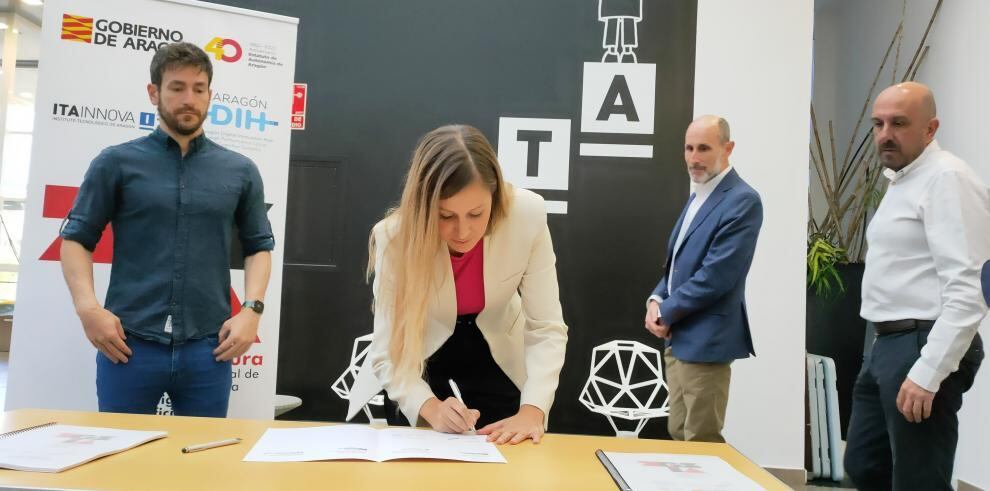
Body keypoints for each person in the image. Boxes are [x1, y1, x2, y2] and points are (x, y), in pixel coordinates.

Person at [59, 42, 274, 416]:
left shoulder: (240, 171)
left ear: (210, 94)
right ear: (154, 92)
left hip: (209, 350)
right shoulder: (116, 163)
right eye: (177, 87)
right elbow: (76, 239)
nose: (189, 98)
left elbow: (258, 246)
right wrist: (87, 308)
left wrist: (252, 310)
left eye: (199, 88)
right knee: (119, 462)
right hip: (129, 346)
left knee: (199, 467)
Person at [349, 124, 568, 445]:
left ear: (495, 197)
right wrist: (430, 407)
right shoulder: (394, 237)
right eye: (446, 216)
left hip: (499, 361)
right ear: (422, 207)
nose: (463, 231)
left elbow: (546, 327)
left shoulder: (527, 214)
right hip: (418, 366)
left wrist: (533, 410)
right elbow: (388, 350)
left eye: (477, 213)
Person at [844, 82, 989, 491]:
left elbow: (971, 288)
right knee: (865, 465)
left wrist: (929, 371)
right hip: (886, 345)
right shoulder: (904, 179)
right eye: (878, 123)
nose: (885, 133)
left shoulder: (947, 178)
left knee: (918, 479)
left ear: (931, 128)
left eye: (899, 123)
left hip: (921, 343)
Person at [643, 115, 763, 443]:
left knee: (701, 440)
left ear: (728, 148)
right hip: (678, 337)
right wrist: (656, 299)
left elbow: (716, 276)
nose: (694, 158)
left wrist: (665, 311)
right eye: (689, 148)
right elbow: (678, 266)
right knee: (679, 433)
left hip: (707, 340)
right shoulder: (700, 195)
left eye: (704, 148)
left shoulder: (742, 200)